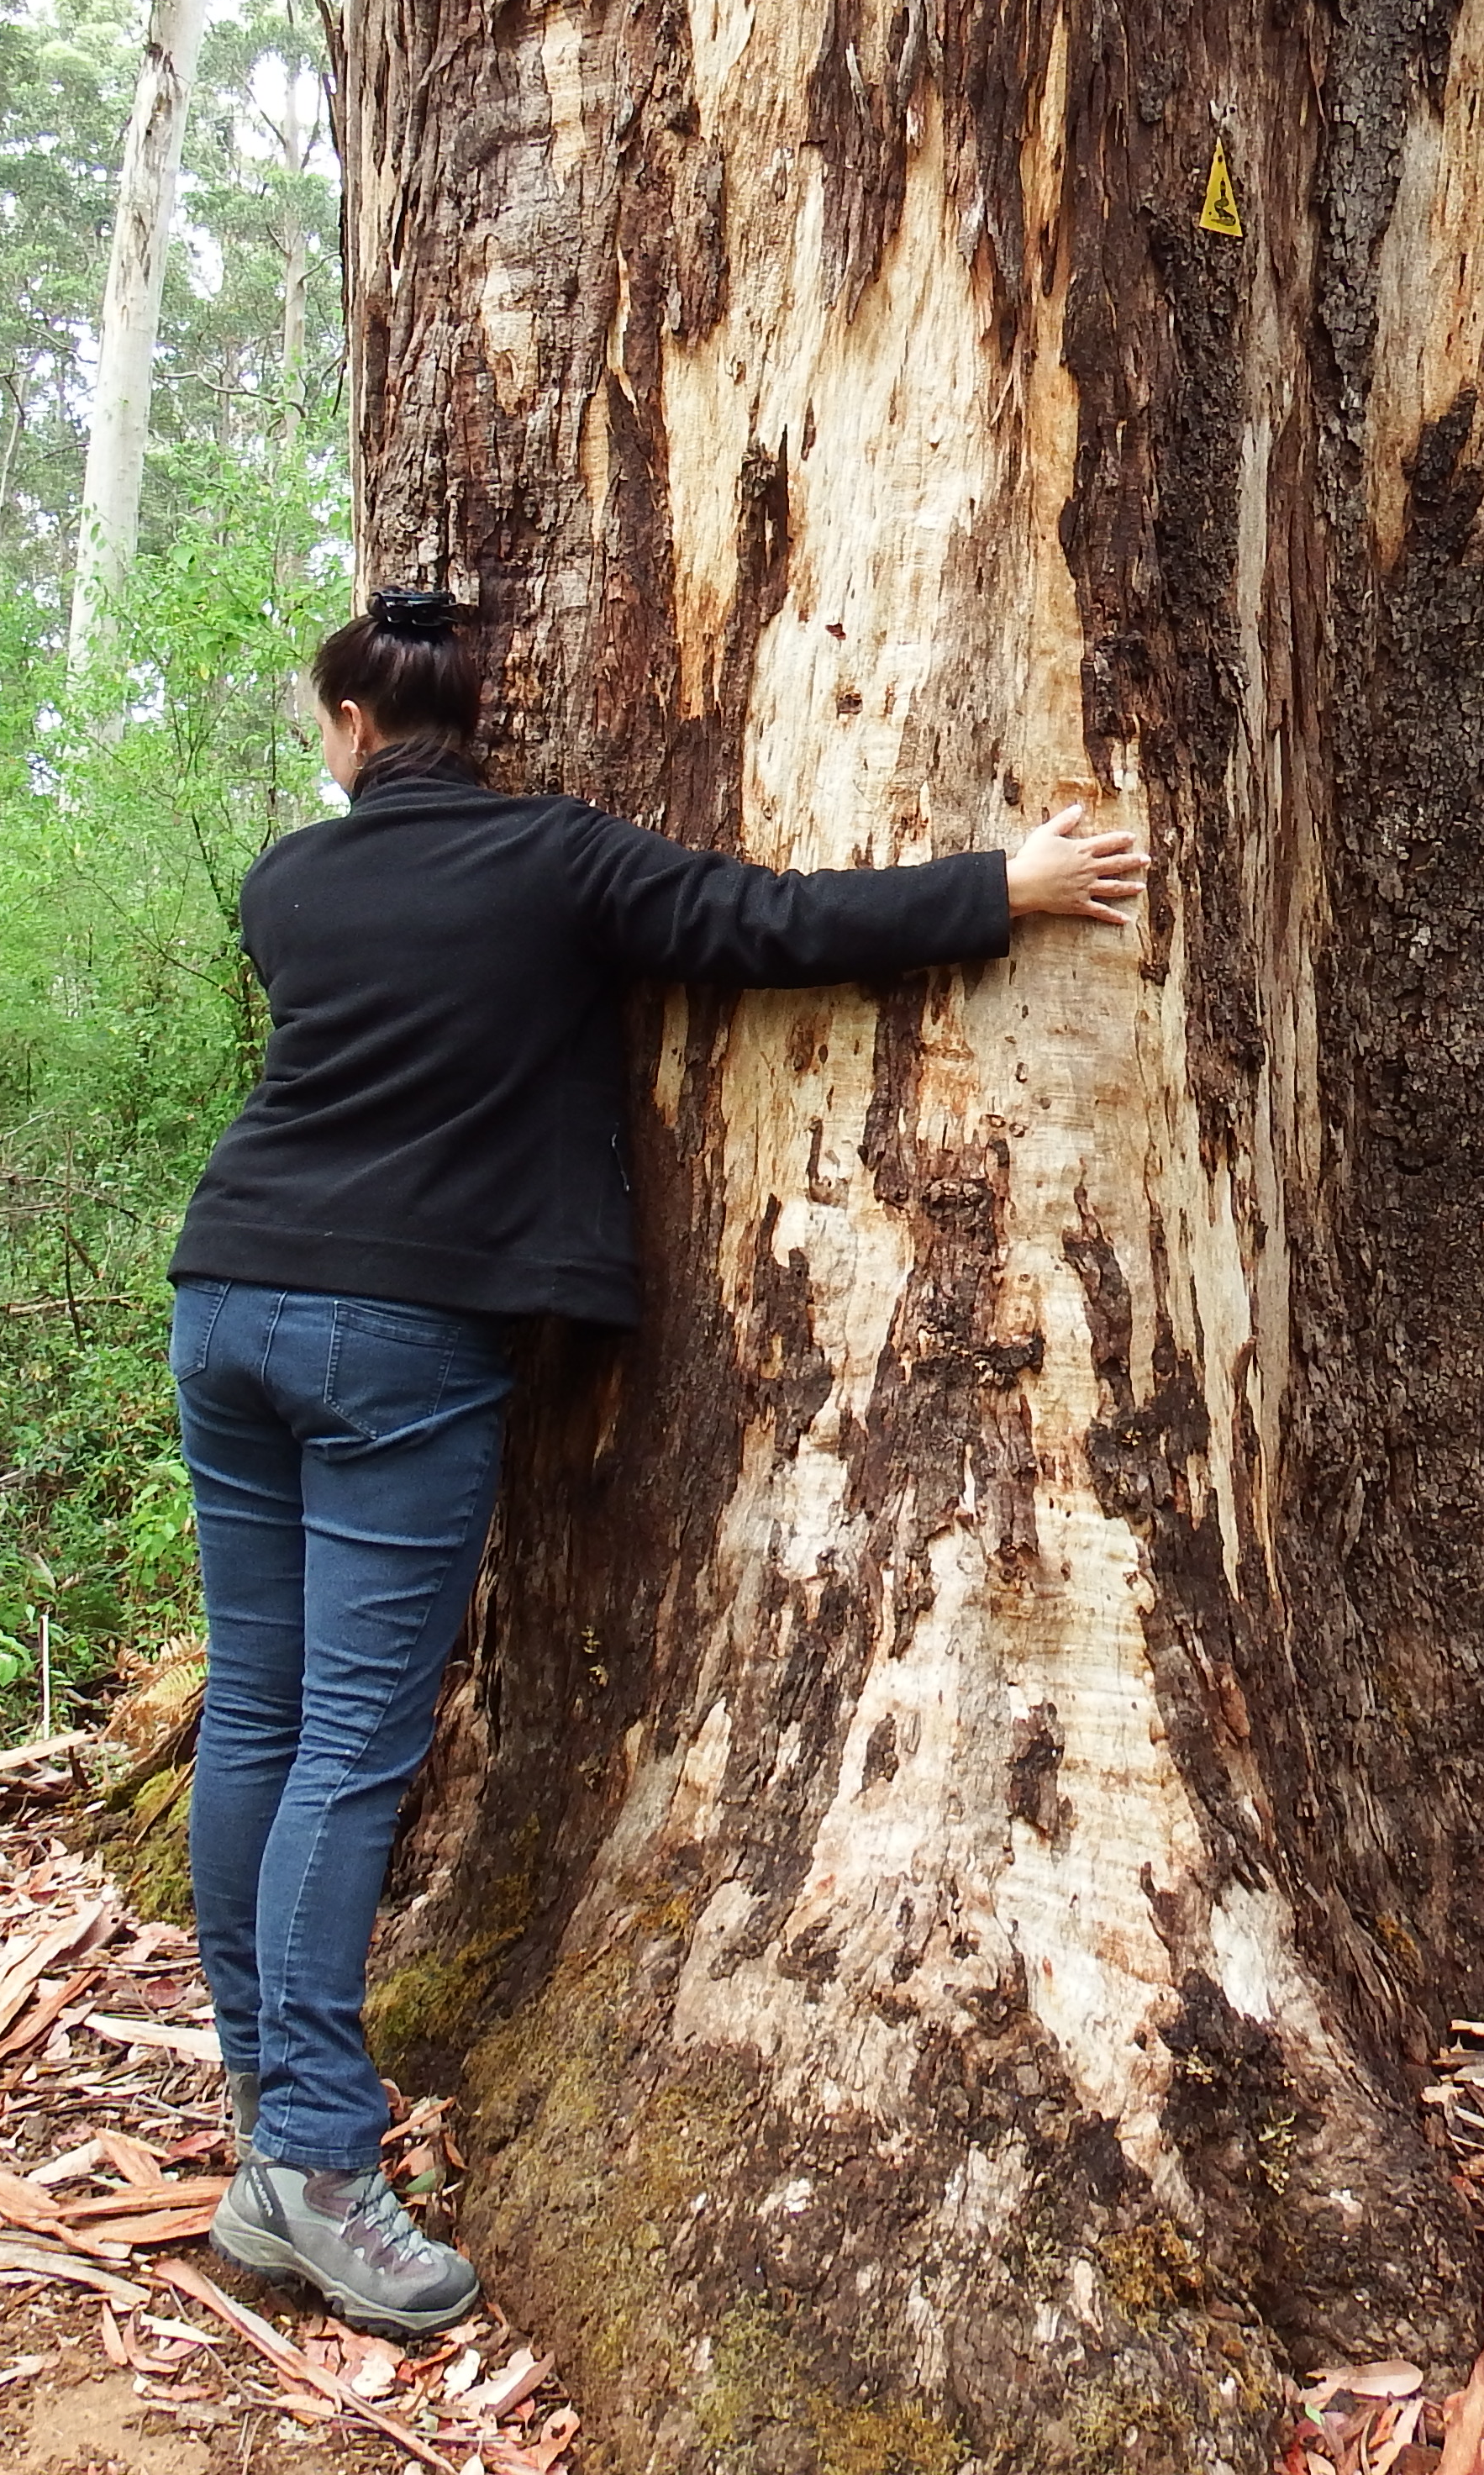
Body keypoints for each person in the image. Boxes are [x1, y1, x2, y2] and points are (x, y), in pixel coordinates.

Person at [174, 585, 1146, 2335]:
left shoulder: (288, 887)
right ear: (477, 722)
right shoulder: (554, 860)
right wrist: (1005, 884)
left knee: (256, 1712)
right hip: (398, 1331)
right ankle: (313, 2158)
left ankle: (268, 2120)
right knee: (344, 1747)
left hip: (229, 1295)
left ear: (350, 731)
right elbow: (759, 922)